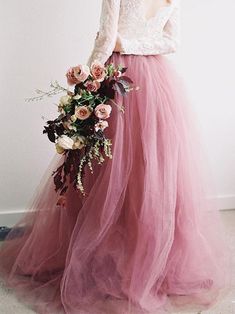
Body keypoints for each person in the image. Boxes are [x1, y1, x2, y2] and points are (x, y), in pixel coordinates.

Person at [0, 1, 232, 313]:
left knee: (107, 167)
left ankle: (105, 250)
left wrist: (84, 89)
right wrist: (134, 44)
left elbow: (107, 40)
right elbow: (169, 42)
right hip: (156, 81)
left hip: (118, 78)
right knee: (147, 167)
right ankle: (144, 255)